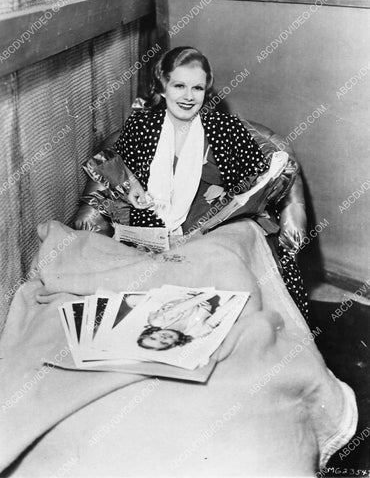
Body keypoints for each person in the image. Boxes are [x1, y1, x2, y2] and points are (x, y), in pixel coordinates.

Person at [79, 46, 308, 320]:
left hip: (213, 229)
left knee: (231, 273)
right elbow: (115, 165)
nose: (188, 97)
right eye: (179, 86)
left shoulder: (226, 129)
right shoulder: (140, 126)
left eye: (197, 89)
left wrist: (230, 192)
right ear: (163, 87)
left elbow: (263, 177)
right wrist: (131, 188)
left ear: (206, 91)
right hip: (150, 230)